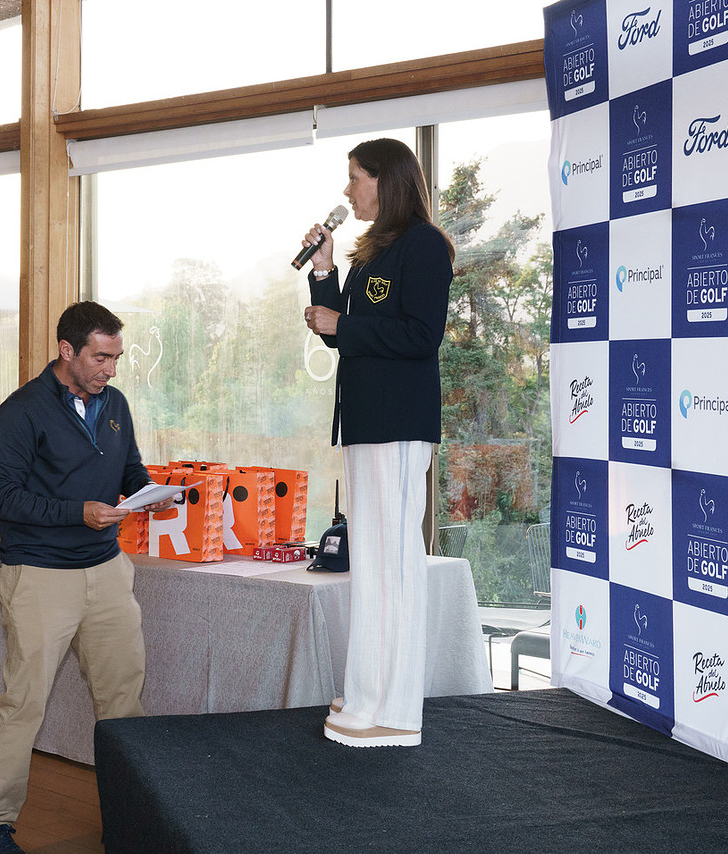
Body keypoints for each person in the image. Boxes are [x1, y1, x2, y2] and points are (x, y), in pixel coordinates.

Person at [0, 301, 174, 854]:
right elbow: (1, 498)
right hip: (39, 575)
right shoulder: (21, 412)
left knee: (124, 702)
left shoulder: (116, 404)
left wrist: (149, 493)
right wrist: (76, 512)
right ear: (67, 350)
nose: (111, 369)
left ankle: (129, 823)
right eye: (101, 357)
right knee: (24, 703)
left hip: (107, 571)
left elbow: (129, 468)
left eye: (116, 358)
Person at [302, 138, 455, 748]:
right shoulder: (374, 249)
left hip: (397, 425)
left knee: (393, 565)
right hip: (367, 425)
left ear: (385, 181)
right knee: (371, 564)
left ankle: (396, 706)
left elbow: (421, 336)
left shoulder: (424, 245)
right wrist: (324, 272)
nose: (347, 191)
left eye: (355, 178)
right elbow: (341, 334)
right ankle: (367, 689)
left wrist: (344, 323)